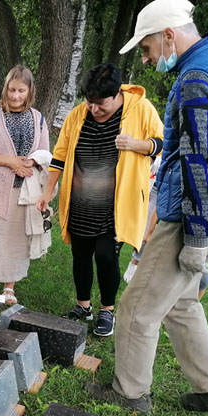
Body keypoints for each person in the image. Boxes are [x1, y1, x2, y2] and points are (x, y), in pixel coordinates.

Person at [86, 0, 208, 414]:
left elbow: (200, 160)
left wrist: (194, 237)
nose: (146, 59)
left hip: (194, 215)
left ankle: (129, 393)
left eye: (146, 49)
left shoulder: (196, 78)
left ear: (168, 35)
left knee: (137, 308)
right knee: (180, 301)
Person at [37, 63, 163, 337]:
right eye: (89, 102)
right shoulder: (78, 115)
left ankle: (107, 310)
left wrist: (137, 145)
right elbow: (59, 155)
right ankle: (83, 305)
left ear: (118, 93)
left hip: (117, 205)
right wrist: (48, 191)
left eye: (100, 103)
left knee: (106, 256)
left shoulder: (141, 109)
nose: (93, 109)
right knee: (80, 255)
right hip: (80, 202)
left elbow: (162, 142)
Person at [0, 66, 51, 305]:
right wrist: (10, 162)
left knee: (15, 241)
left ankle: (9, 288)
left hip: (24, 191)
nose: (15, 96)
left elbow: (45, 153)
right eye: (12, 90)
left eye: (21, 90)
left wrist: (32, 161)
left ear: (29, 91)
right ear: (5, 89)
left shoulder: (38, 118)